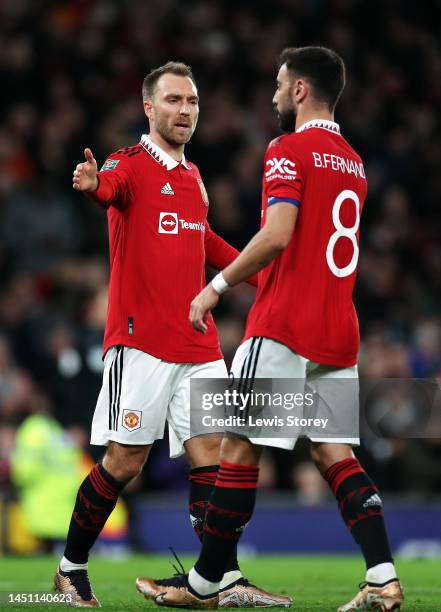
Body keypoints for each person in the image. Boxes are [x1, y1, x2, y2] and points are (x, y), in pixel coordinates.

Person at [145, 48, 404, 611]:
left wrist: (215, 286)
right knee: (333, 452)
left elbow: (277, 234)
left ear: (302, 91)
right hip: (339, 328)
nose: (273, 95)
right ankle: (382, 575)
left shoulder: (287, 149)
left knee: (238, 448)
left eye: (280, 85)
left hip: (284, 324)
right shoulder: (355, 162)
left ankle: (205, 584)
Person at [54, 61, 291, 609]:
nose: (185, 110)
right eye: (174, 101)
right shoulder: (128, 164)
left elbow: (204, 241)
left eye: (192, 102)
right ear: (149, 108)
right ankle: (70, 569)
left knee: (214, 453)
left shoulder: (193, 178)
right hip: (140, 343)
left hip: (199, 342)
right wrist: (93, 186)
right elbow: (108, 186)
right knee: (125, 461)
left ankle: (221, 579)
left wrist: (269, 278)